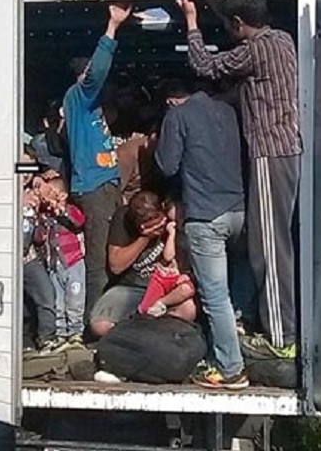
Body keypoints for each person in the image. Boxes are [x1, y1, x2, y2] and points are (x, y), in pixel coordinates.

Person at [177, 0, 301, 359]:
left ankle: (280, 338)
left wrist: (191, 20)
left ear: (236, 22)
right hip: (285, 152)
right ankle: (277, 327)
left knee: (269, 248)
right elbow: (250, 92)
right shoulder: (283, 40)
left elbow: (204, 65)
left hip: (268, 153)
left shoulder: (254, 49)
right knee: (272, 242)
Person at [154, 80, 249, 389]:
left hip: (206, 215)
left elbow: (167, 165)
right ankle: (242, 342)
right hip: (240, 211)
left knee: (215, 296)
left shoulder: (177, 116)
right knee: (240, 284)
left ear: (171, 100)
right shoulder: (229, 111)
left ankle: (230, 369)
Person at [63, 3, 132, 323]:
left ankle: (109, 316)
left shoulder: (88, 106)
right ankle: (94, 324)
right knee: (100, 259)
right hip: (95, 188)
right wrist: (112, 27)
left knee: (113, 251)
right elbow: (97, 73)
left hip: (104, 185)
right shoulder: (80, 95)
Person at [89, 191, 196, 338]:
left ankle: (148, 334)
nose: (158, 228)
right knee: (100, 326)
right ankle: (141, 334)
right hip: (131, 287)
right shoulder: (123, 219)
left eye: (158, 221)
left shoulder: (170, 217)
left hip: (166, 290)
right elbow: (116, 266)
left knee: (188, 310)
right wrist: (145, 238)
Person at [34, 177, 87, 350]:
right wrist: (39, 219)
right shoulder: (45, 216)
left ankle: (76, 332)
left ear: (62, 195)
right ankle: (61, 333)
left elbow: (79, 221)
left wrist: (61, 209)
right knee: (58, 301)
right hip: (54, 265)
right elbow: (38, 238)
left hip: (73, 263)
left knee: (75, 300)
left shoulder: (70, 210)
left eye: (50, 194)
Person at [20, 153, 61, 355]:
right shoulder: (0, 190)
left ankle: (47, 339)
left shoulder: (35, 190)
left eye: (30, 168)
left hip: (28, 256)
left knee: (46, 294)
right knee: (18, 304)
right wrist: (18, 201)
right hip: (5, 257)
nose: (25, 173)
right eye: (21, 167)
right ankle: (23, 342)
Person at [137, 200, 196, 318]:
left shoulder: (193, 233)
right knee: (145, 309)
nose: (176, 224)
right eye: (172, 220)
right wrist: (171, 234)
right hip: (165, 276)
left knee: (186, 290)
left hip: (183, 277)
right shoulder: (168, 233)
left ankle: (162, 303)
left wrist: (188, 275)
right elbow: (168, 256)